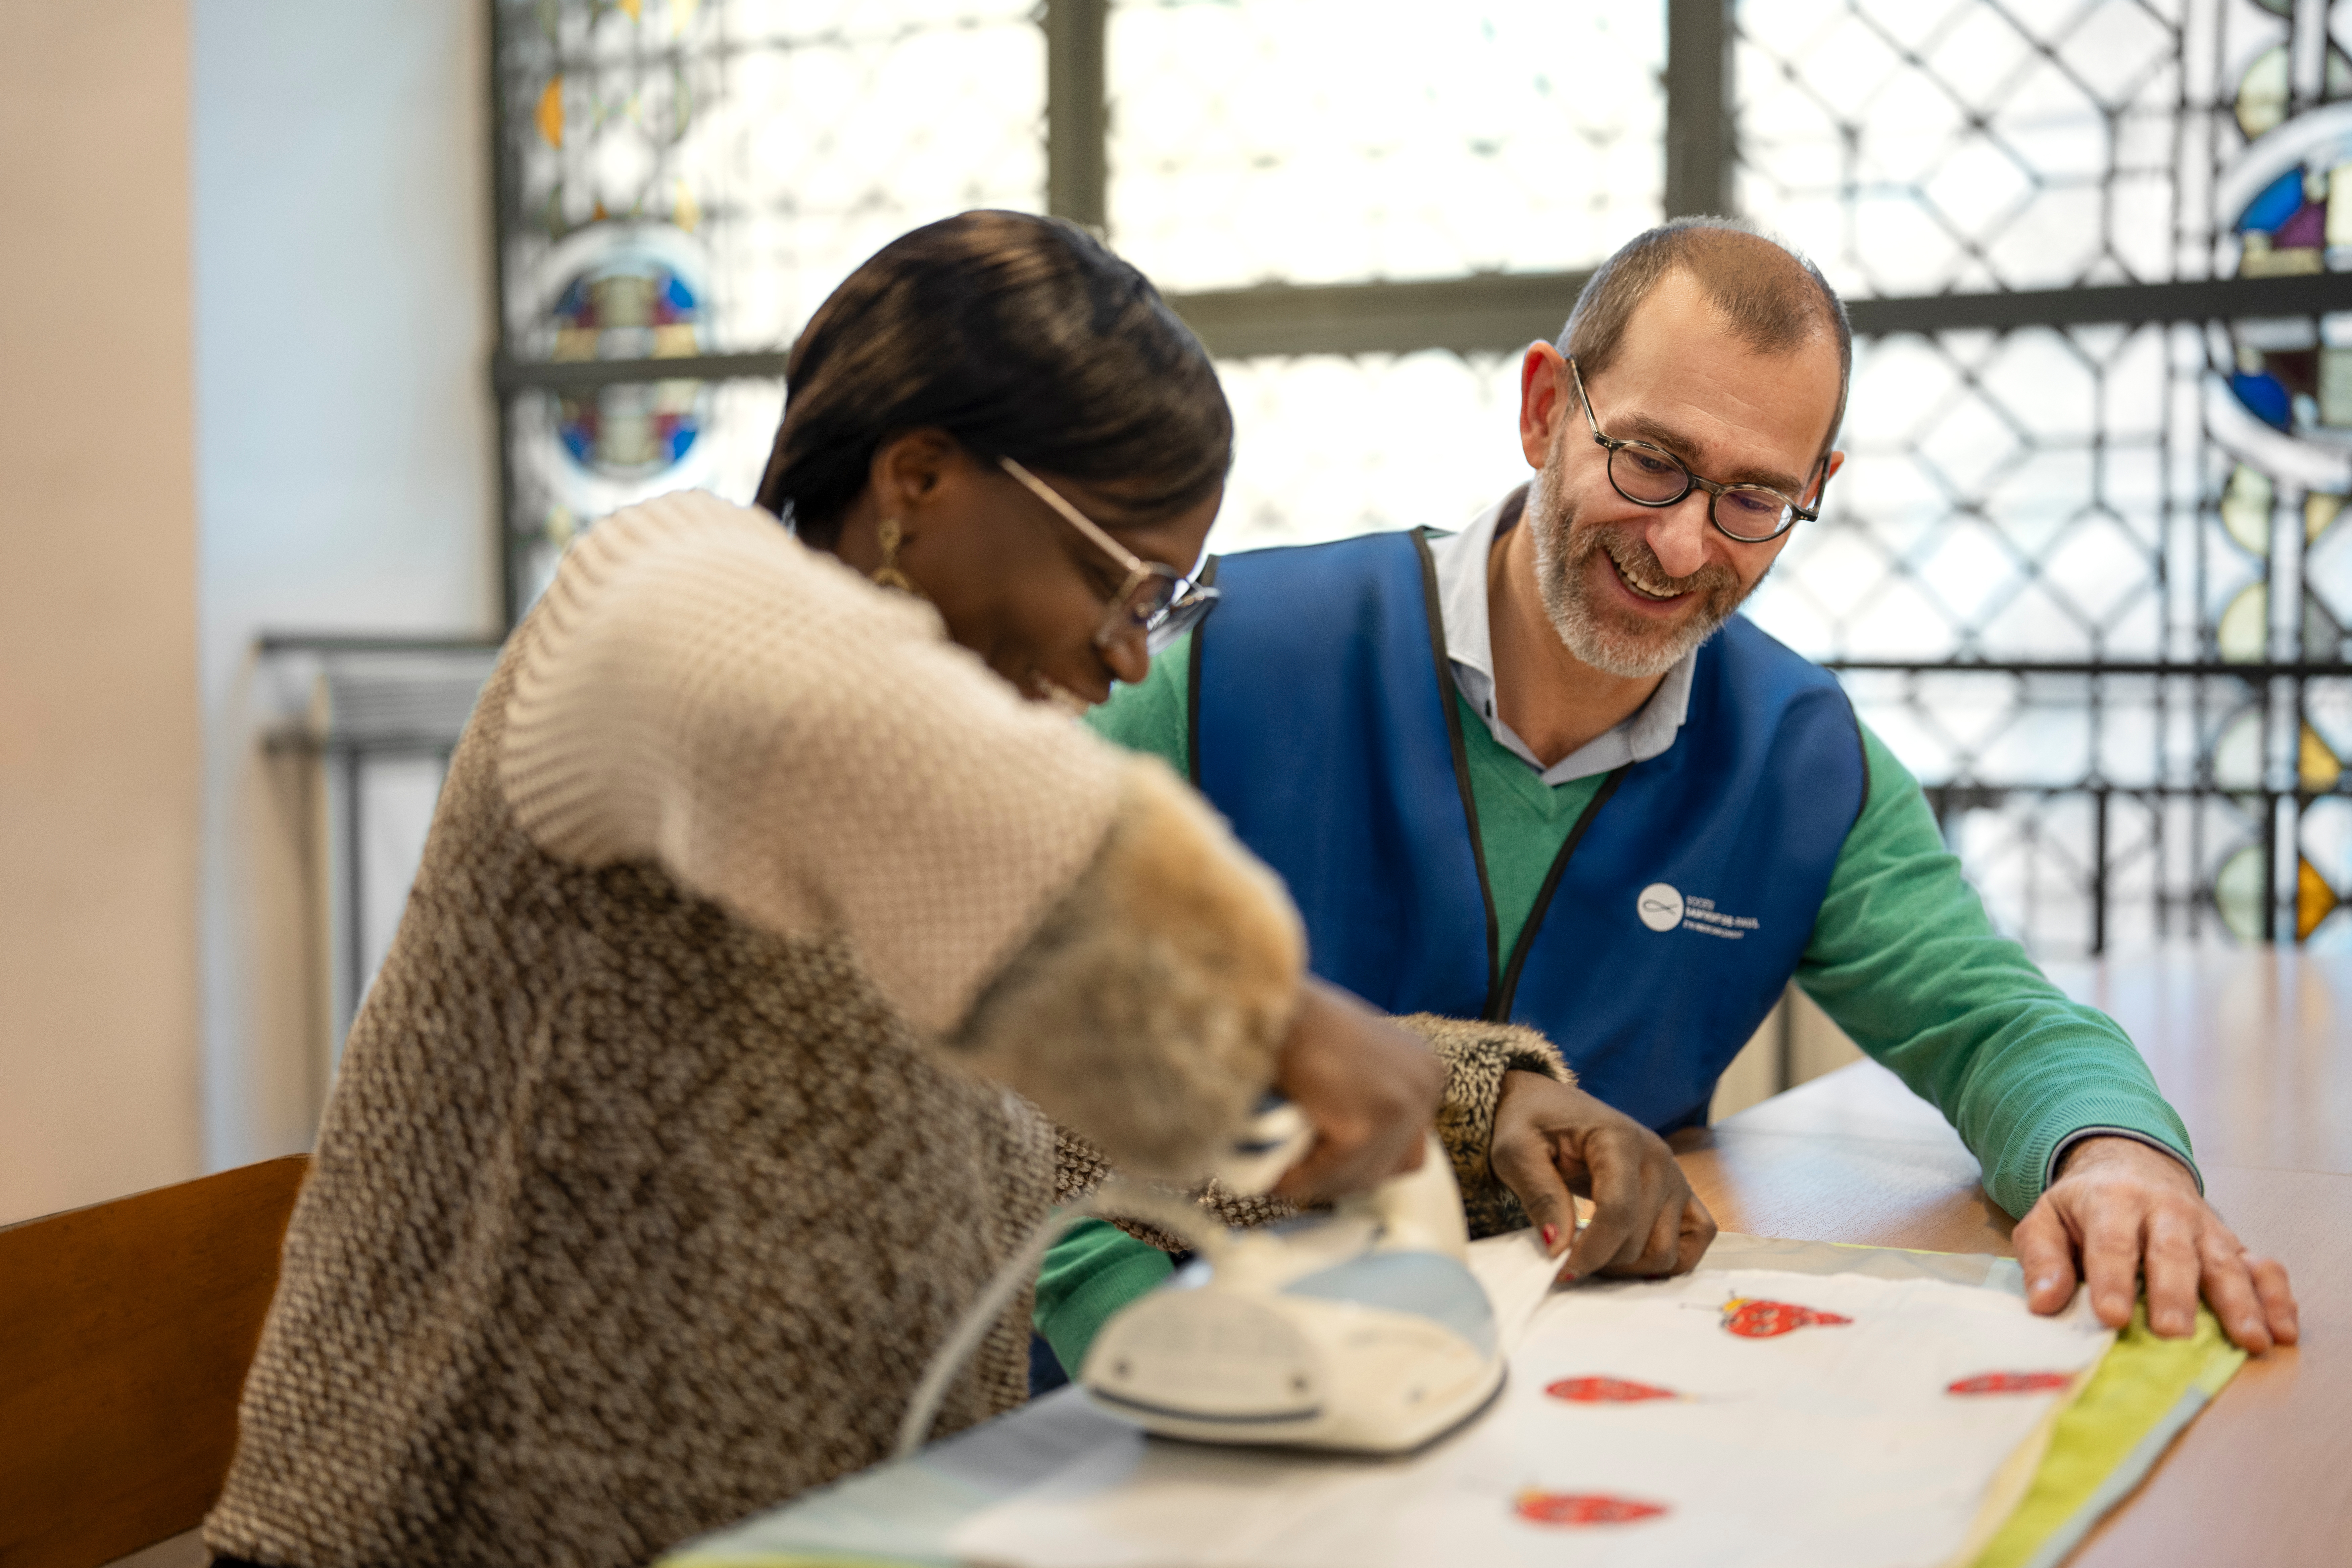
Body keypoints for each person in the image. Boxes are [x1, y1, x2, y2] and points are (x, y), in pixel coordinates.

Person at [202, 211, 1547, 1568]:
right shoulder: (648, 604)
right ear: (918, 477)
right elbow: (828, 706)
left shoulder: (942, 808)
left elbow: (1050, 1147)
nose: (1134, 657)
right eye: (1119, 580)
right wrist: (1277, 1010)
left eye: (1167, 599)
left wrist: (1475, 1100)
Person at [1037, 217, 2299, 1381]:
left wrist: (2116, 1157)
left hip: (1562, 1389)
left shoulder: (1804, 763)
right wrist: (1144, 1359)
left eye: (1755, 498)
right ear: (1544, 410)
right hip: (1160, 1383)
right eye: (1650, 461)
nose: (1687, 545)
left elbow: (1994, 1023)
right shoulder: (1208, 661)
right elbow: (1002, 1061)